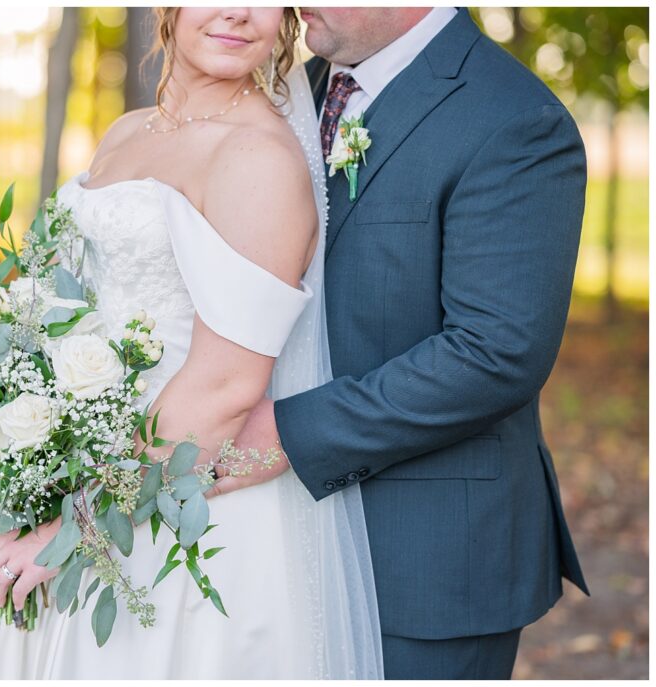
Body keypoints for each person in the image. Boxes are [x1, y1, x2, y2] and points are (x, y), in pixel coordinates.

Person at [0, 7, 382, 679]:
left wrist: (77, 522)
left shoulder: (260, 158)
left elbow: (224, 388)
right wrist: (19, 469)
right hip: (79, 476)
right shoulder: (128, 131)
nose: (240, 12)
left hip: (182, 511)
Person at [210, 7, 589, 680]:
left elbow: (493, 353)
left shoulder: (514, 119)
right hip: (273, 547)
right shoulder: (290, 92)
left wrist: (286, 432)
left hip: (425, 562)